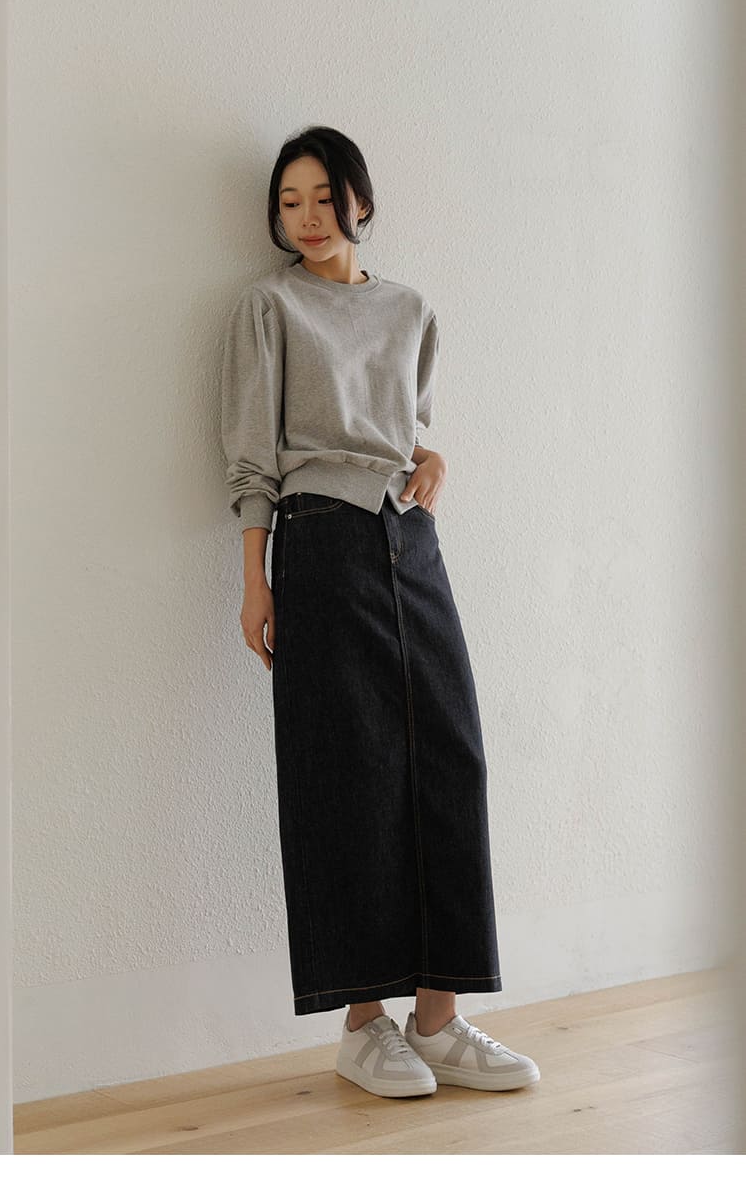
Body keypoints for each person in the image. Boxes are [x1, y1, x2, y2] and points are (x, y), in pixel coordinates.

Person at [221, 125, 539, 1099]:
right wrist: (256, 580)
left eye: (323, 196)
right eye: (289, 202)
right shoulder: (269, 307)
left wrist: (431, 460)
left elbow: (406, 431)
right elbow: (251, 456)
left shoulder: (409, 309)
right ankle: (362, 1026)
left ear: (358, 199)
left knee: (451, 756)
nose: (307, 217)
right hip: (317, 538)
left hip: (410, 541)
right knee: (345, 771)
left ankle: (437, 1020)